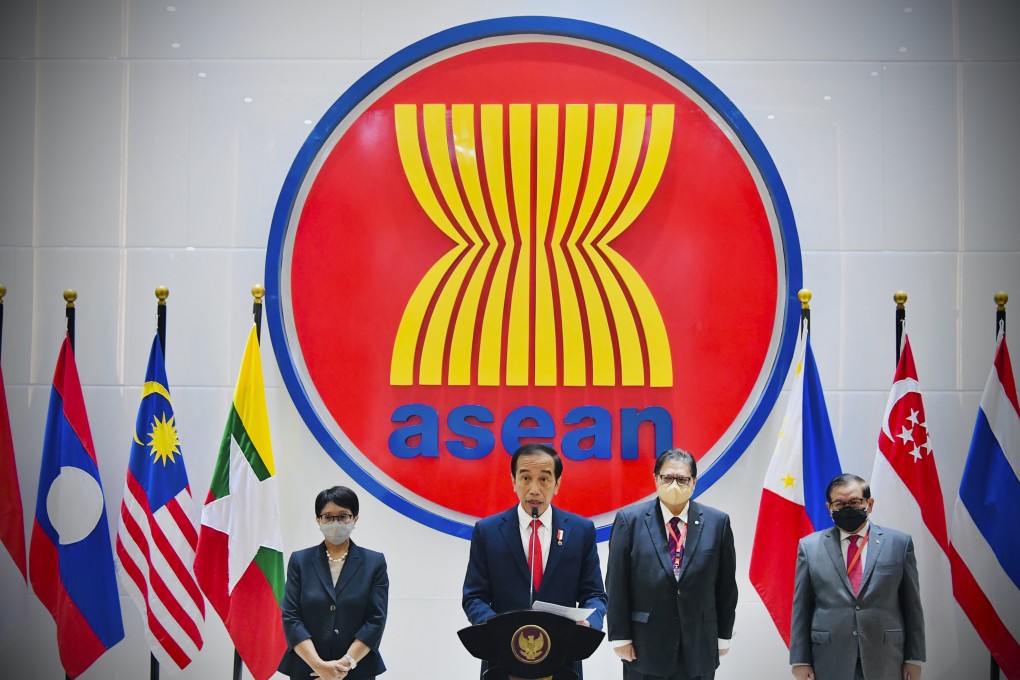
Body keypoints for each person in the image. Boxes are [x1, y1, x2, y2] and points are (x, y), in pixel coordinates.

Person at [462, 442, 608, 677]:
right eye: (526, 478)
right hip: (502, 659)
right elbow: (474, 597)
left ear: (557, 484)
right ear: (513, 481)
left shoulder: (581, 531)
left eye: (544, 479)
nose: (534, 489)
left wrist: (589, 624)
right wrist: (498, 629)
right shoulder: (487, 531)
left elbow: (595, 594)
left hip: (562, 659)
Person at [606, 448, 737, 680]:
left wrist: (723, 636)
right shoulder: (630, 520)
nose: (674, 485)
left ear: (694, 483)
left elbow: (726, 587)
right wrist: (621, 636)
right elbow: (617, 583)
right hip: (644, 646)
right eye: (667, 478)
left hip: (699, 643)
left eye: (682, 479)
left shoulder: (718, 523)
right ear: (655, 479)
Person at [790, 473, 924, 680]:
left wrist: (914, 658)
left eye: (854, 502)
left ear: (869, 504)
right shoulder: (809, 547)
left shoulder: (899, 544)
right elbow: (801, 607)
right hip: (829, 656)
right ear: (829, 508)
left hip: (886, 656)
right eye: (839, 504)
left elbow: (912, 605)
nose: (847, 508)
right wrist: (800, 661)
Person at [279, 486, 388, 680]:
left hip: (356, 670)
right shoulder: (300, 561)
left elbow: (375, 620)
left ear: (355, 519)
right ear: (318, 520)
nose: (335, 522)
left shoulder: (374, 563)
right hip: (308, 670)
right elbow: (291, 617)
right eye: (327, 516)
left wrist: (343, 665)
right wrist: (319, 666)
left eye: (343, 516)